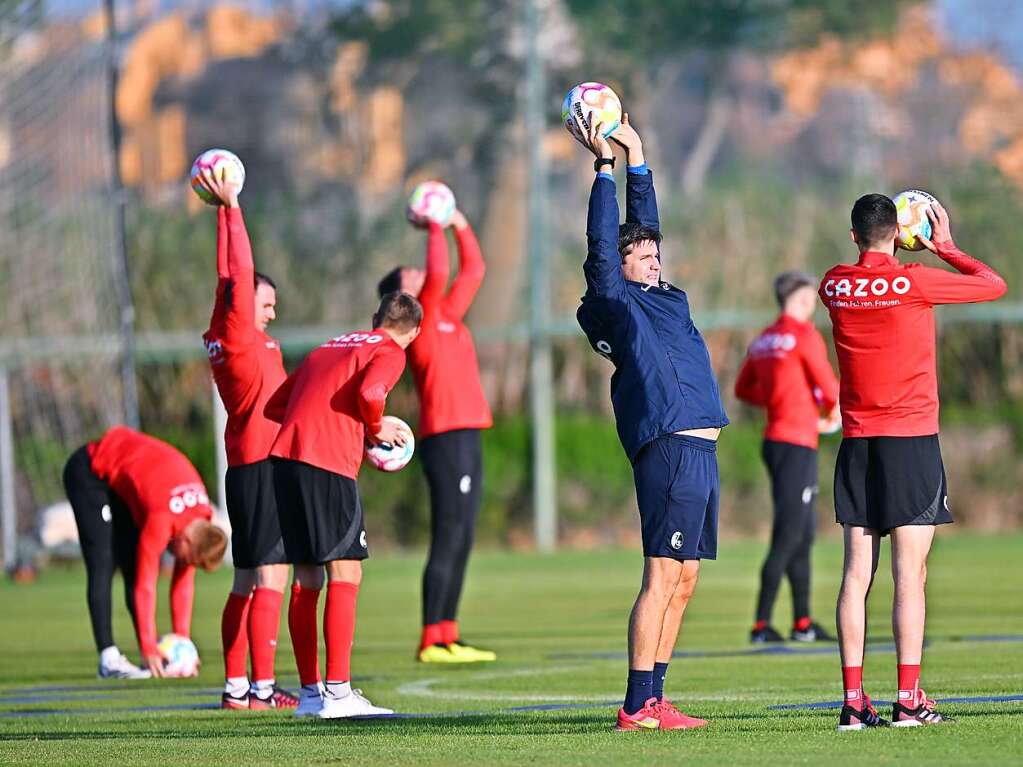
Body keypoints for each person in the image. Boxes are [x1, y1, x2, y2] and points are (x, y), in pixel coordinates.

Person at [821, 194, 1006, 730]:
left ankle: (853, 703)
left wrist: (889, 254)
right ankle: (908, 699)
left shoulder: (832, 283)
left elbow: (858, 280)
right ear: (900, 233)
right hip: (911, 440)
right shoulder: (916, 280)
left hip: (857, 441)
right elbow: (993, 284)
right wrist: (945, 247)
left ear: (854, 235)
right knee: (910, 575)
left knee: (856, 575)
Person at [574, 113, 729, 731]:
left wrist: (638, 152)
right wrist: (603, 168)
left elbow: (647, 223)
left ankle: (655, 697)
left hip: (701, 446)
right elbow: (601, 252)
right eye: (641, 255)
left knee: (685, 577)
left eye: (655, 253)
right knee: (662, 574)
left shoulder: (663, 295)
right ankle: (637, 703)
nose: (654, 259)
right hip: (667, 444)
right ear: (620, 266)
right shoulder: (614, 303)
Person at [265, 291, 422, 718]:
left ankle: (311, 696)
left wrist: (324, 419)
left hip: (285, 462)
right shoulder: (391, 350)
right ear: (415, 331)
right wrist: (373, 429)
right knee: (346, 570)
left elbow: (275, 405)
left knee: (307, 577)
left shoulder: (329, 347)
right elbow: (372, 393)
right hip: (326, 464)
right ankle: (338, 694)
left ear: (376, 317)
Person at [197, 169, 298, 710]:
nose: (272, 308)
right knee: (270, 574)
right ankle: (260, 687)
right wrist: (233, 206)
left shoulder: (225, 331)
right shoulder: (238, 335)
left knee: (243, 580)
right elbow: (236, 274)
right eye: (267, 299)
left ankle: (238, 686)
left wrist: (219, 213)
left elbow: (225, 279)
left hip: (246, 465)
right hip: (259, 465)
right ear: (243, 302)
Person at [376, 207, 495, 664]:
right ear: (398, 304)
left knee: (464, 533)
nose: (425, 274)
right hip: (444, 437)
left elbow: (474, 269)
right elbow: (443, 268)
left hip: (467, 432)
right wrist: (433, 224)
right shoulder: (418, 329)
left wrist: (460, 220)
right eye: (413, 277)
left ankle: (448, 632)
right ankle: (430, 637)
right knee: (448, 533)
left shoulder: (446, 312)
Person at [62, 426, 228, 679]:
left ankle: (146, 655)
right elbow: (146, 585)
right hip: (90, 470)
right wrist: (149, 648)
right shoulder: (162, 519)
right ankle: (108, 658)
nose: (181, 562)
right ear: (187, 541)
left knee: (130, 564)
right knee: (103, 561)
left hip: (121, 486)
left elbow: (183, 585)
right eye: (185, 559)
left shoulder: (198, 521)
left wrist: (182, 646)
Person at [735, 271, 840, 644]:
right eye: (811, 297)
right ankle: (761, 625)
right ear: (798, 299)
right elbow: (829, 388)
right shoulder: (803, 335)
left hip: (776, 440)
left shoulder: (764, 339)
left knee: (803, 532)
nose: (814, 304)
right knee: (789, 534)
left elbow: (743, 388)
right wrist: (828, 410)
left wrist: (781, 402)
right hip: (796, 443)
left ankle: (802, 622)